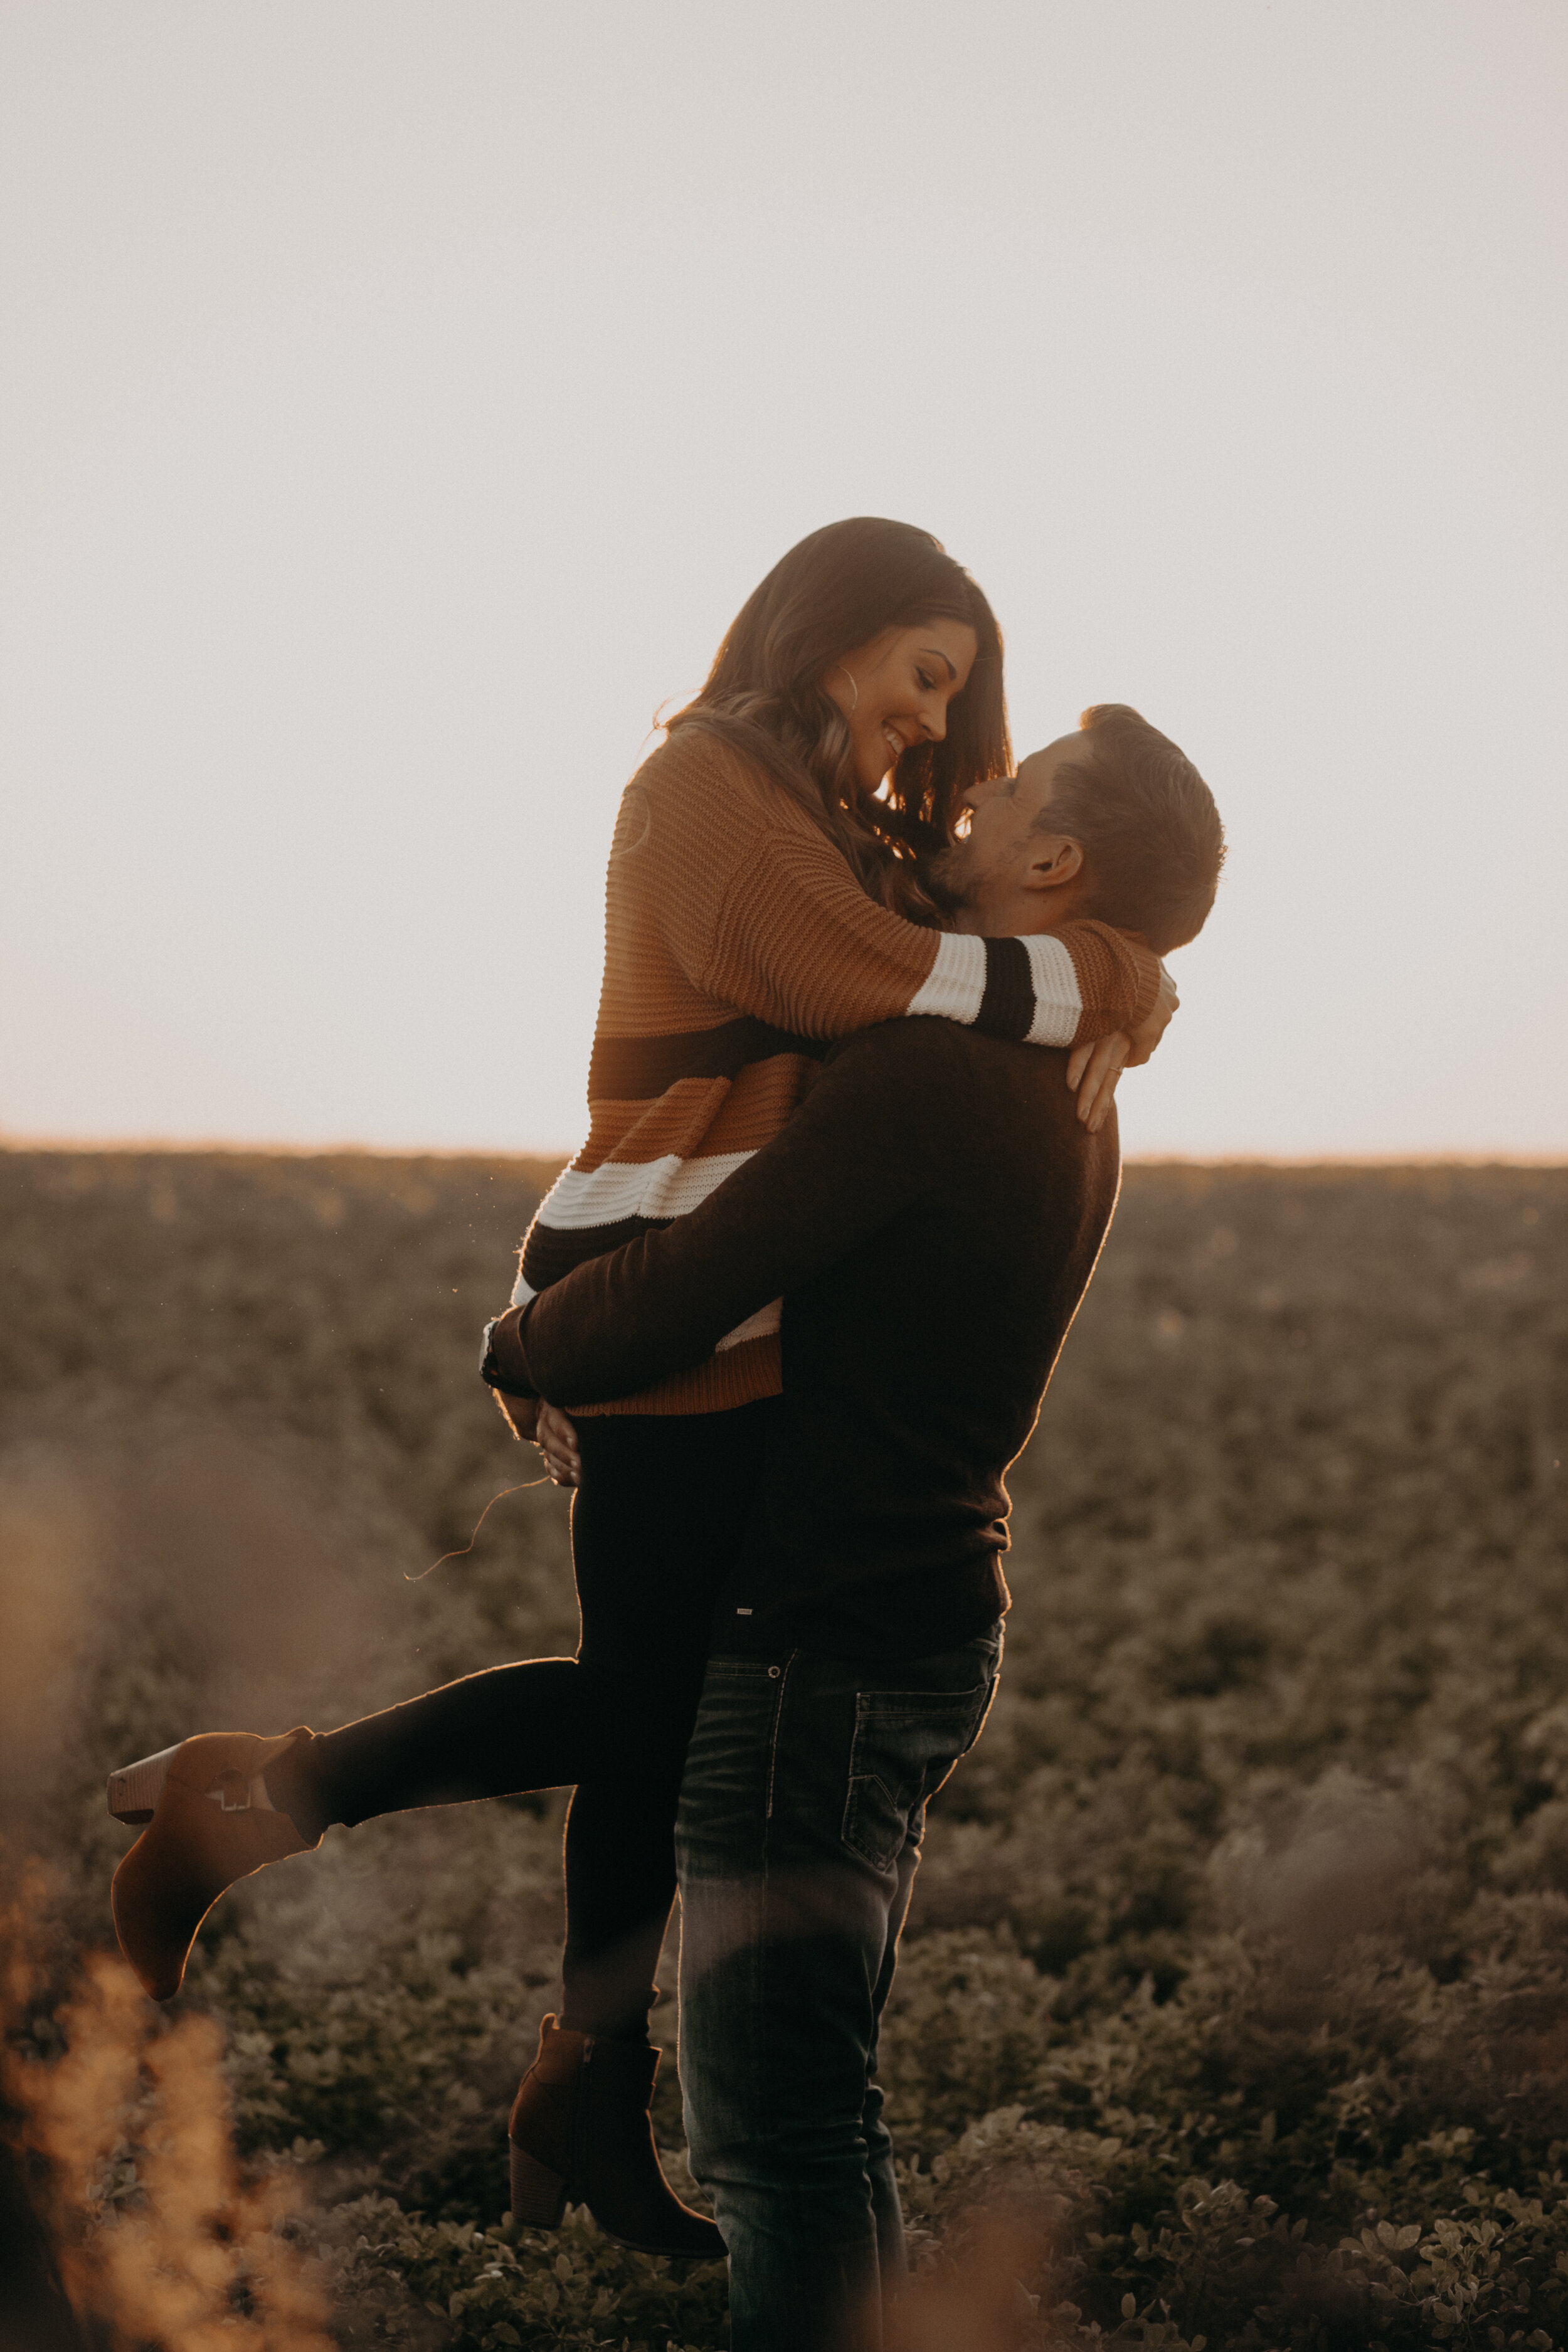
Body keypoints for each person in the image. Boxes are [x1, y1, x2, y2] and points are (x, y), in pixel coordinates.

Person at [105, 522, 1166, 2262]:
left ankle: (580, 2085)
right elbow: (853, 988)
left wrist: (1115, 971)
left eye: (958, 695)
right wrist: (1109, 974)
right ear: (830, 629)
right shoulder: (705, 788)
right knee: (658, 1717)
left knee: (653, 1707)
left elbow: (951, 968)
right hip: (642, 1289)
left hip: (724, 1308)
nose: (933, 719)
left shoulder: (846, 835)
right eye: (924, 670)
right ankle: (257, 1808)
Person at [483, 706, 1226, 2352]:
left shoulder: (931, 1073)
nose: (973, 789)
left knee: (782, 2140)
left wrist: (517, 1344)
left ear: (1053, 861)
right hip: (911, 1620)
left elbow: (688, 1285)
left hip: (814, 1646)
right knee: (817, 2122)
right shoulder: (1061, 1064)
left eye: (1016, 785)